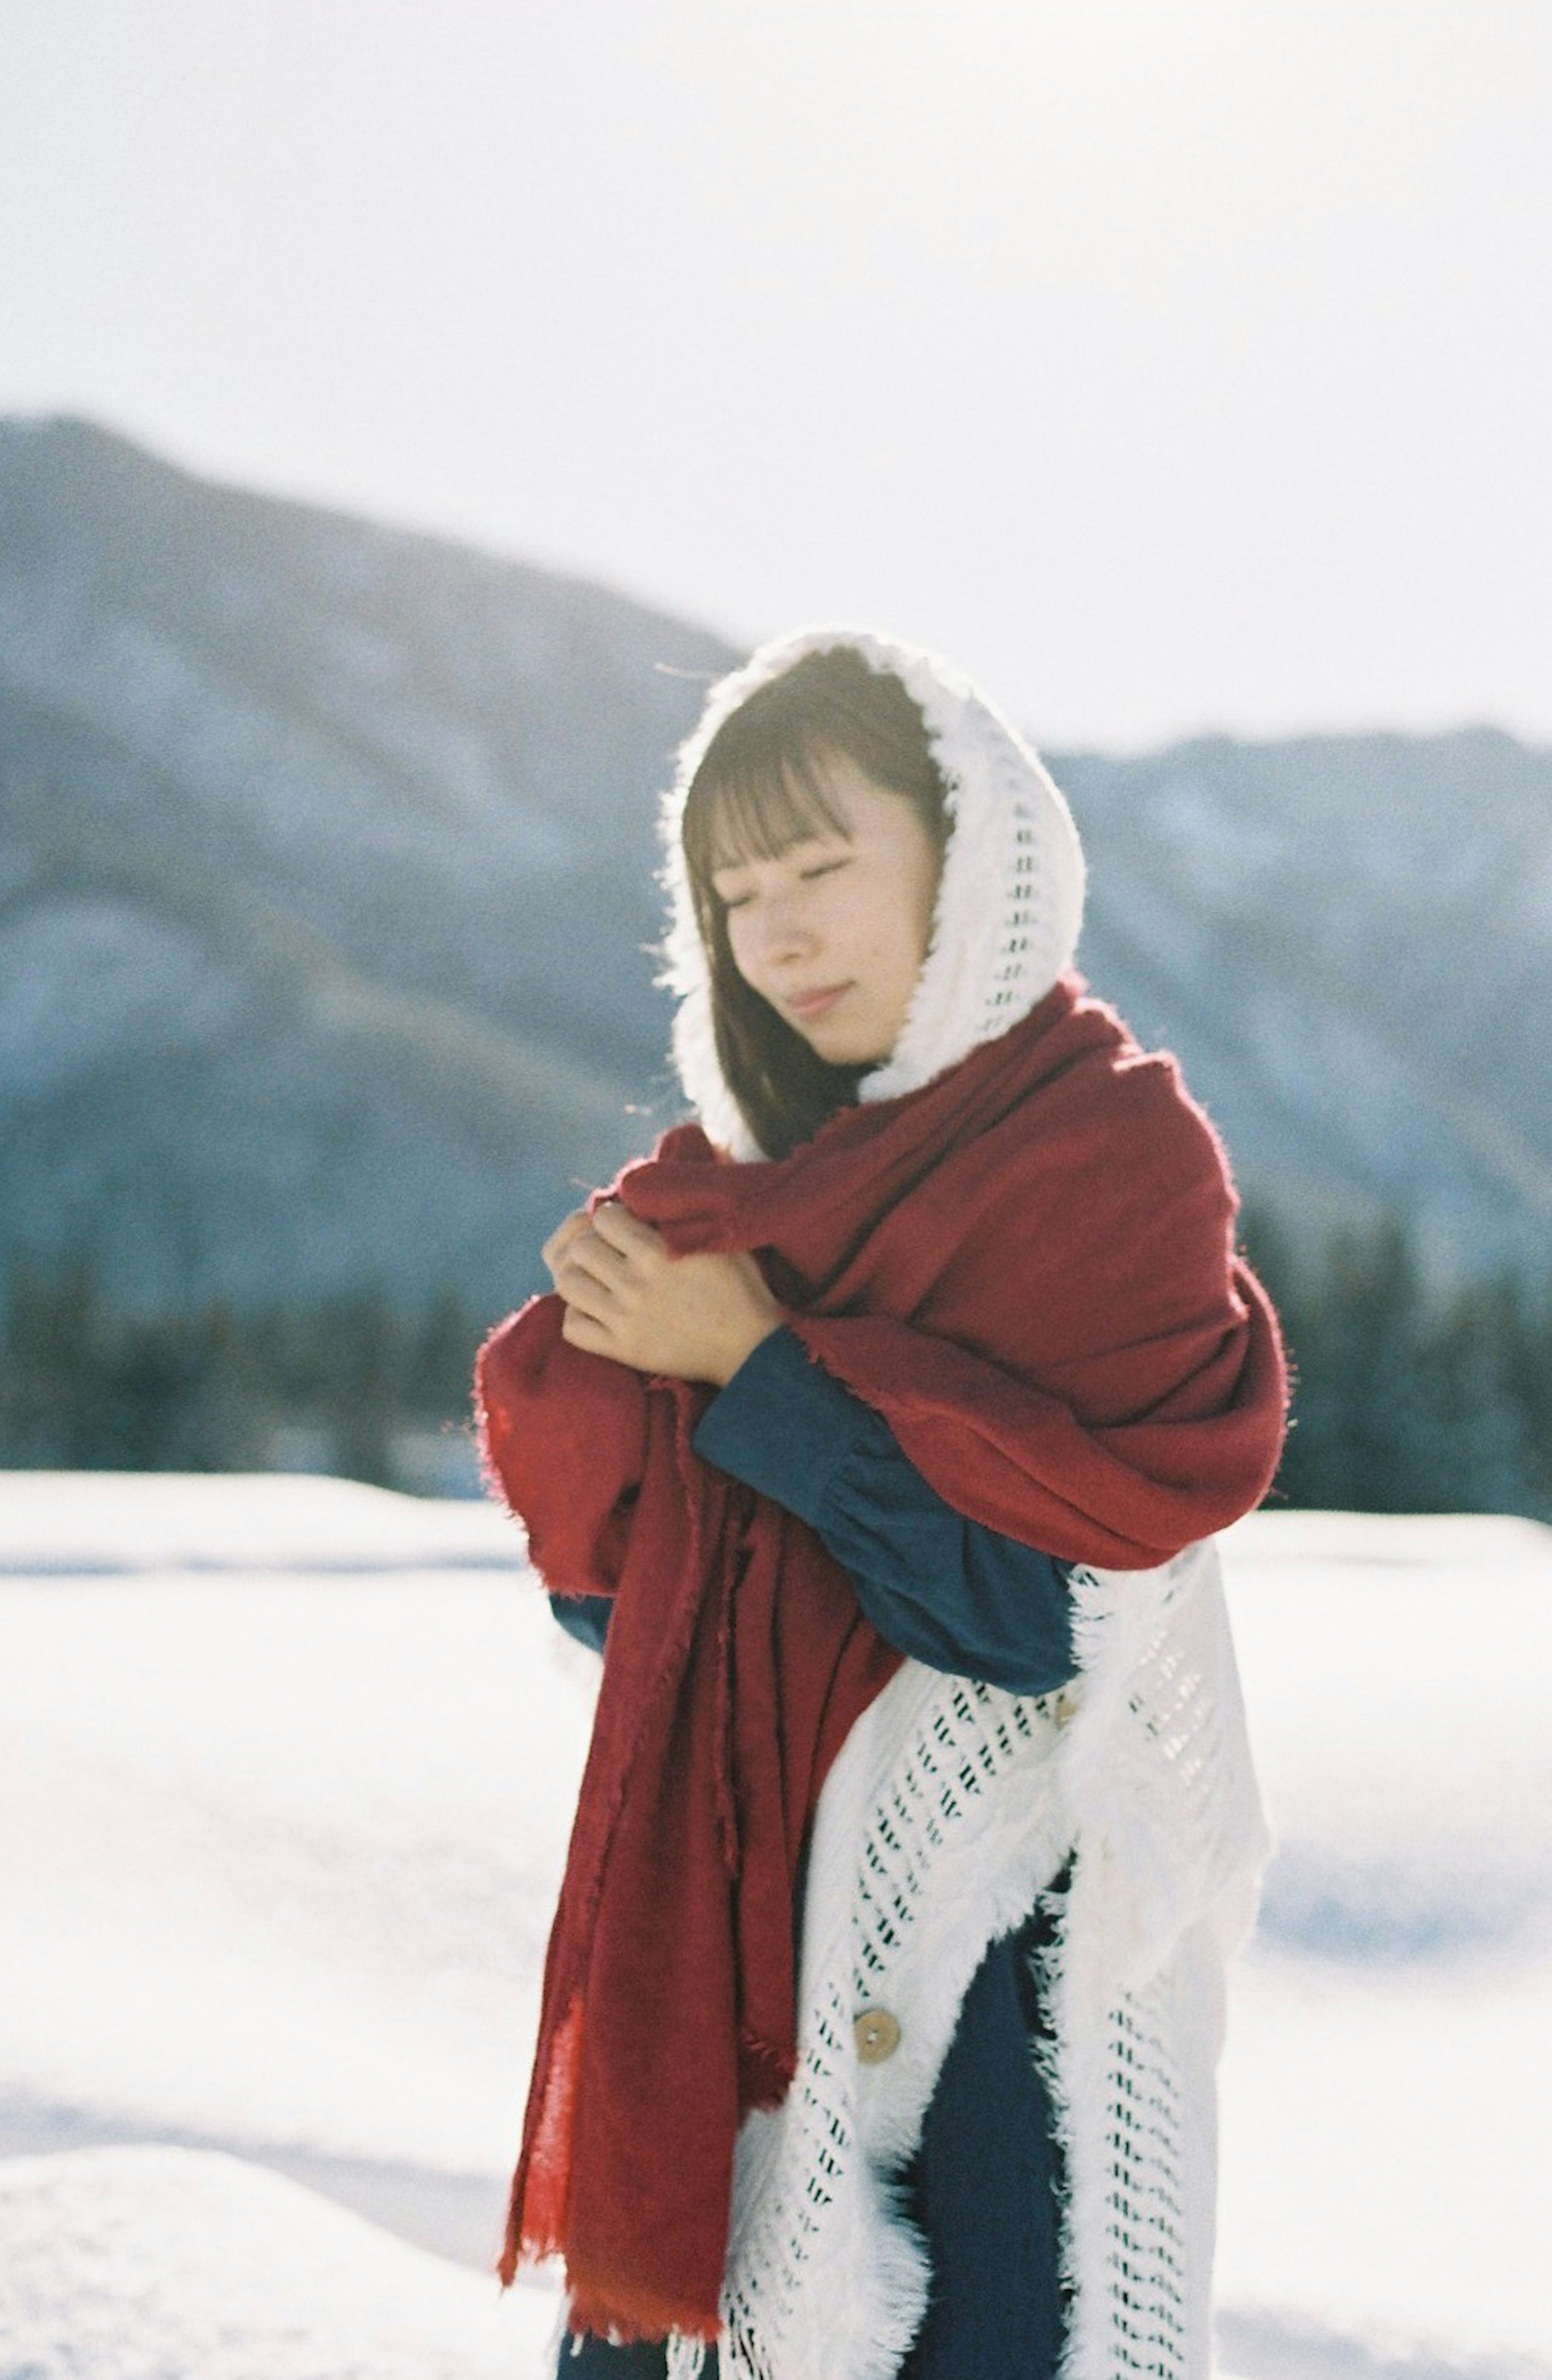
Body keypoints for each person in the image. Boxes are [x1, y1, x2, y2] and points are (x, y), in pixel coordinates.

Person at [476, 627, 1288, 2380]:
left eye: (826, 865)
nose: (777, 931)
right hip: (733, 2000)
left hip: (1012, 2015)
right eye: (737, 888)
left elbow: (1048, 1615)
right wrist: (610, 1413)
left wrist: (760, 1373)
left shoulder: (1109, 1169)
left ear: (975, 856)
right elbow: (628, 1634)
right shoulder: (726, 1200)